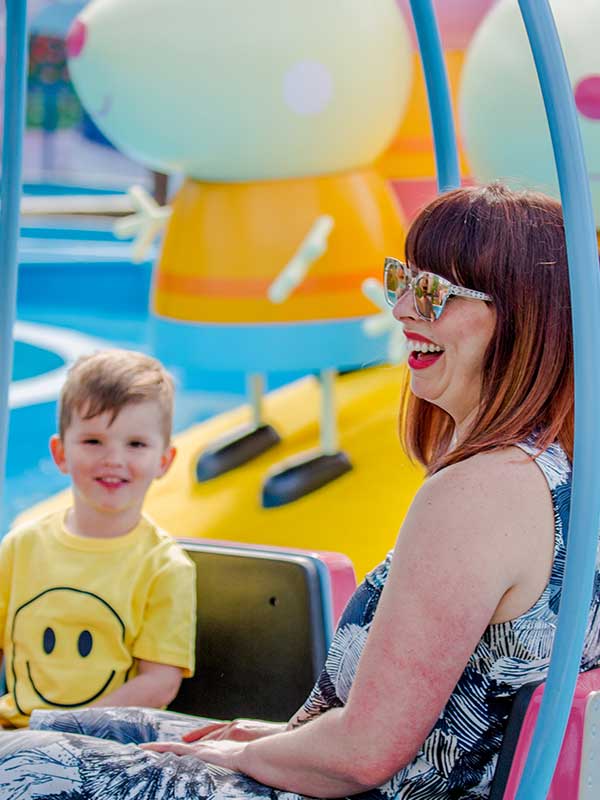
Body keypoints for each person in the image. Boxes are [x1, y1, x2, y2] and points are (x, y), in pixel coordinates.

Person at [0, 183, 596, 799]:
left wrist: (248, 751)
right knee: (68, 728)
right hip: (374, 775)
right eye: (402, 280)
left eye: (433, 293)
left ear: (524, 316)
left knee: (22, 762)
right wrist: (255, 740)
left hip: (362, 789)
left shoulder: (480, 492)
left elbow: (364, 754)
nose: (403, 311)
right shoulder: (552, 471)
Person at [0, 349, 196, 729]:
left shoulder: (165, 568)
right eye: (93, 441)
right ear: (60, 453)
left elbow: (159, 683)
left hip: (103, 743)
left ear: (164, 460)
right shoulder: (20, 547)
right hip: (13, 735)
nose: (113, 458)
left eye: (135, 444)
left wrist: (65, 728)